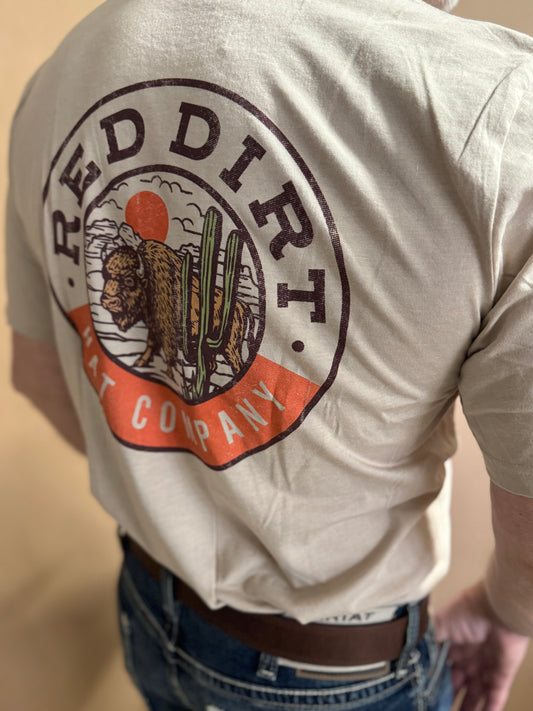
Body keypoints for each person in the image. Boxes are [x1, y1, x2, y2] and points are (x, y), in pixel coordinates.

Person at [6, 0, 533, 709]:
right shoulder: (501, 115)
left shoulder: (73, 60)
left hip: (148, 602)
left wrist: (182, 484)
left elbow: (40, 375)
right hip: (337, 671)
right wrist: (506, 611)